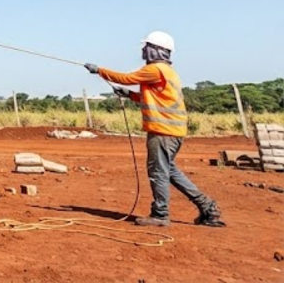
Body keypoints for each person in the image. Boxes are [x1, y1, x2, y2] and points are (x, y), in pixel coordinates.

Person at [85, 30, 225, 228]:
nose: (143, 50)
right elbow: (154, 98)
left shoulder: (155, 69)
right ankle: (208, 207)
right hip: (171, 133)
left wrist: (99, 70)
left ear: (157, 50)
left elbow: (127, 78)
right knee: (169, 171)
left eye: (147, 46)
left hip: (162, 132)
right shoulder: (167, 72)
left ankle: (160, 215)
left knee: (158, 172)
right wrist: (129, 95)